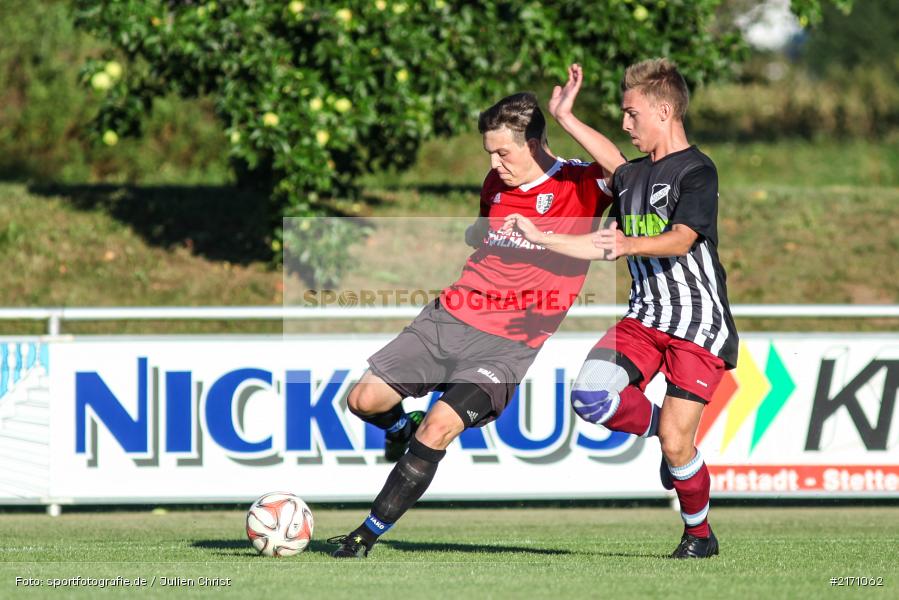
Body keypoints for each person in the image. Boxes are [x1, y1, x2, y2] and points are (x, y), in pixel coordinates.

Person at [328, 90, 612, 558]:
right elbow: (484, 229)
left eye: (504, 151)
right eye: (490, 153)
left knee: (438, 426)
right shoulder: (495, 183)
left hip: (509, 345)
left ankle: (364, 536)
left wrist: (567, 117)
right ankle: (398, 428)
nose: (496, 162)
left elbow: (620, 168)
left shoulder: (580, 183)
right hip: (451, 317)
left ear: (537, 143)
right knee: (363, 400)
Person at [504, 60, 738, 559]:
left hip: (698, 326)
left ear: (665, 110)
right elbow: (611, 173)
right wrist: (564, 120)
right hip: (643, 321)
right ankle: (664, 432)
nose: (626, 125)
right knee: (590, 397)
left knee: (680, 449)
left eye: (632, 114)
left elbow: (680, 240)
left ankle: (700, 535)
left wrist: (628, 243)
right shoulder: (630, 176)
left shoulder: (697, 170)